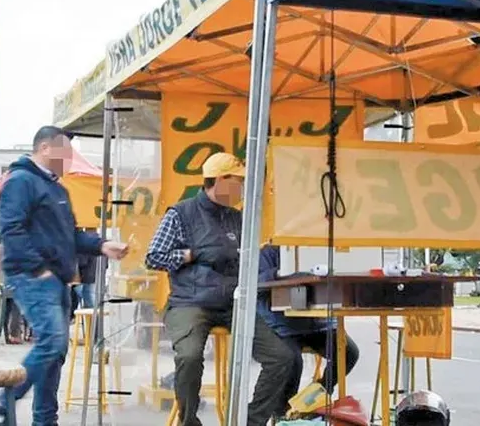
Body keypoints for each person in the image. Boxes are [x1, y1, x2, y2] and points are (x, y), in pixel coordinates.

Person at [145, 152, 296, 426]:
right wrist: (190, 255)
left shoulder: (238, 219)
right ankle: (189, 420)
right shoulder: (180, 213)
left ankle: (252, 421)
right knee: (190, 357)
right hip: (189, 302)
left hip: (232, 303)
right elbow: (153, 256)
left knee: (282, 357)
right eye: (238, 181)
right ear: (218, 180)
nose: (242, 188)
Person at [0, 125, 129, 426]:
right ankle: (6, 395)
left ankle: (45, 420)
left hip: (58, 280)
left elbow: (69, 237)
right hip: (34, 277)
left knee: (56, 355)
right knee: (52, 342)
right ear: (45, 148)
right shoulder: (20, 182)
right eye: (65, 152)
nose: (70, 159)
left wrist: (102, 245)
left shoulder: (57, 189)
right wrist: (39, 269)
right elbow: (12, 230)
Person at [257, 243, 359, 410]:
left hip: (319, 324)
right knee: (292, 361)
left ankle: (316, 395)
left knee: (348, 352)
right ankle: (284, 412)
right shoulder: (269, 251)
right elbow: (255, 284)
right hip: (282, 326)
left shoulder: (321, 246)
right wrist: (277, 274)